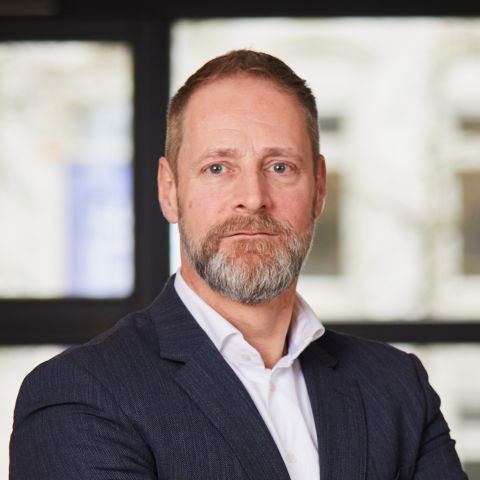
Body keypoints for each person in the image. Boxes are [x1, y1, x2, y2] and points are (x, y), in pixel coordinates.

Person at [10, 50, 467, 480]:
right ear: (169, 191)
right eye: (218, 168)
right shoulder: (80, 394)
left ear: (320, 188)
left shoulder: (397, 388)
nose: (253, 197)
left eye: (280, 167)